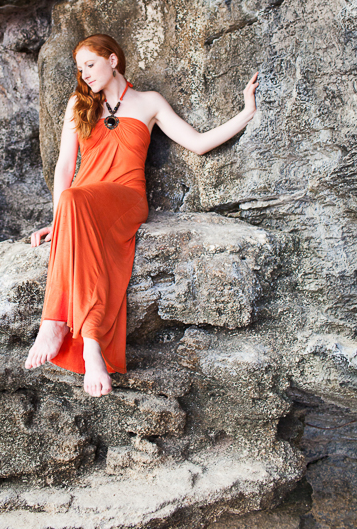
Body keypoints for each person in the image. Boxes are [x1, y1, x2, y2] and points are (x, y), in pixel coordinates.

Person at [23, 35, 258, 397]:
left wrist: (246, 112)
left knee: (73, 200)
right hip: (81, 200)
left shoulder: (148, 102)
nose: (84, 74)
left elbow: (197, 143)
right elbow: (64, 167)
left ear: (113, 60)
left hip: (127, 198)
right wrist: (60, 221)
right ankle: (88, 340)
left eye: (90, 64)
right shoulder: (78, 104)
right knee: (71, 199)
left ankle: (57, 322)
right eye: (79, 68)